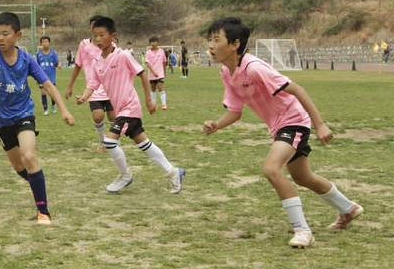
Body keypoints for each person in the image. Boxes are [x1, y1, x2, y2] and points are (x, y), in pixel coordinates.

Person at [202, 17, 363, 248]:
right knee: (302, 177)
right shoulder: (227, 73)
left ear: (235, 43)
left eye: (216, 39)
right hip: (279, 126)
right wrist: (217, 125)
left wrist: (320, 125)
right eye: (210, 39)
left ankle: (303, 231)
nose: (211, 45)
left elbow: (297, 89)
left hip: (294, 121)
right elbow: (235, 111)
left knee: (271, 168)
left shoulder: (254, 68)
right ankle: (349, 209)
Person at [0, 12, 75, 226]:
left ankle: (43, 211)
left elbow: (48, 85)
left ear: (17, 35)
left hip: (24, 115)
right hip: (1, 122)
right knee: (20, 167)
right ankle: (38, 185)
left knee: (29, 156)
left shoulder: (27, 60)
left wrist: (64, 110)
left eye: (5, 34)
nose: (0, 38)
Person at [76, 17, 185, 194]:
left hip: (129, 107)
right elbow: (93, 84)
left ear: (113, 36)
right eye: (94, 36)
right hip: (122, 110)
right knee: (143, 142)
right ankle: (173, 172)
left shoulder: (123, 55)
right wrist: (83, 97)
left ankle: (125, 175)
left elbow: (141, 74)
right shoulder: (97, 62)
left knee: (109, 141)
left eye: (101, 35)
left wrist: (149, 99)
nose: (97, 39)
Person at [65, 15, 116, 152]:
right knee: (98, 116)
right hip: (93, 87)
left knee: (113, 117)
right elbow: (77, 65)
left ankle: (112, 142)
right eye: (93, 26)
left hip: (110, 87)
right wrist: (70, 86)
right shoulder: (84, 45)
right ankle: (103, 142)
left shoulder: (111, 45)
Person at [36, 35, 60, 115]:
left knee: (52, 93)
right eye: (43, 42)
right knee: (43, 92)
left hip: (51, 77)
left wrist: (59, 65)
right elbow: (37, 66)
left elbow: (57, 62)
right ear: (41, 43)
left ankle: (53, 106)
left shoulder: (53, 53)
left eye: (46, 41)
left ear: (49, 43)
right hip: (42, 78)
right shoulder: (38, 54)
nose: (45, 43)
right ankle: (45, 109)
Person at [145, 36, 168, 110]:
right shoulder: (148, 52)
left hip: (160, 73)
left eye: (154, 41)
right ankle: (154, 105)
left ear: (157, 42)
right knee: (153, 89)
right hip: (152, 74)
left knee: (160, 87)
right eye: (151, 42)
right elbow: (147, 63)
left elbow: (164, 62)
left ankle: (164, 104)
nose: (153, 43)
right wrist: (153, 72)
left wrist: (164, 72)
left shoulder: (161, 51)